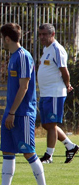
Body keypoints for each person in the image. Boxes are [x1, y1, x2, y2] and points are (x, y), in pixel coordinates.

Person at [0, 23, 50, 185]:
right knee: (8, 151)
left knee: (29, 153)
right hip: (10, 113)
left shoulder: (22, 57)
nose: (1, 42)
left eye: (2, 39)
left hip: (22, 114)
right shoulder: (12, 57)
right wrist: (8, 112)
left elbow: (24, 86)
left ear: (6, 38)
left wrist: (12, 112)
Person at [36, 23, 79, 163]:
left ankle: (48, 156)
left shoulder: (57, 49)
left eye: (45, 34)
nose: (42, 37)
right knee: (47, 125)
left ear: (52, 34)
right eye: (40, 34)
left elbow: (64, 70)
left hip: (54, 92)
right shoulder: (46, 48)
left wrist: (67, 85)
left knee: (51, 124)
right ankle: (70, 146)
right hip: (46, 92)